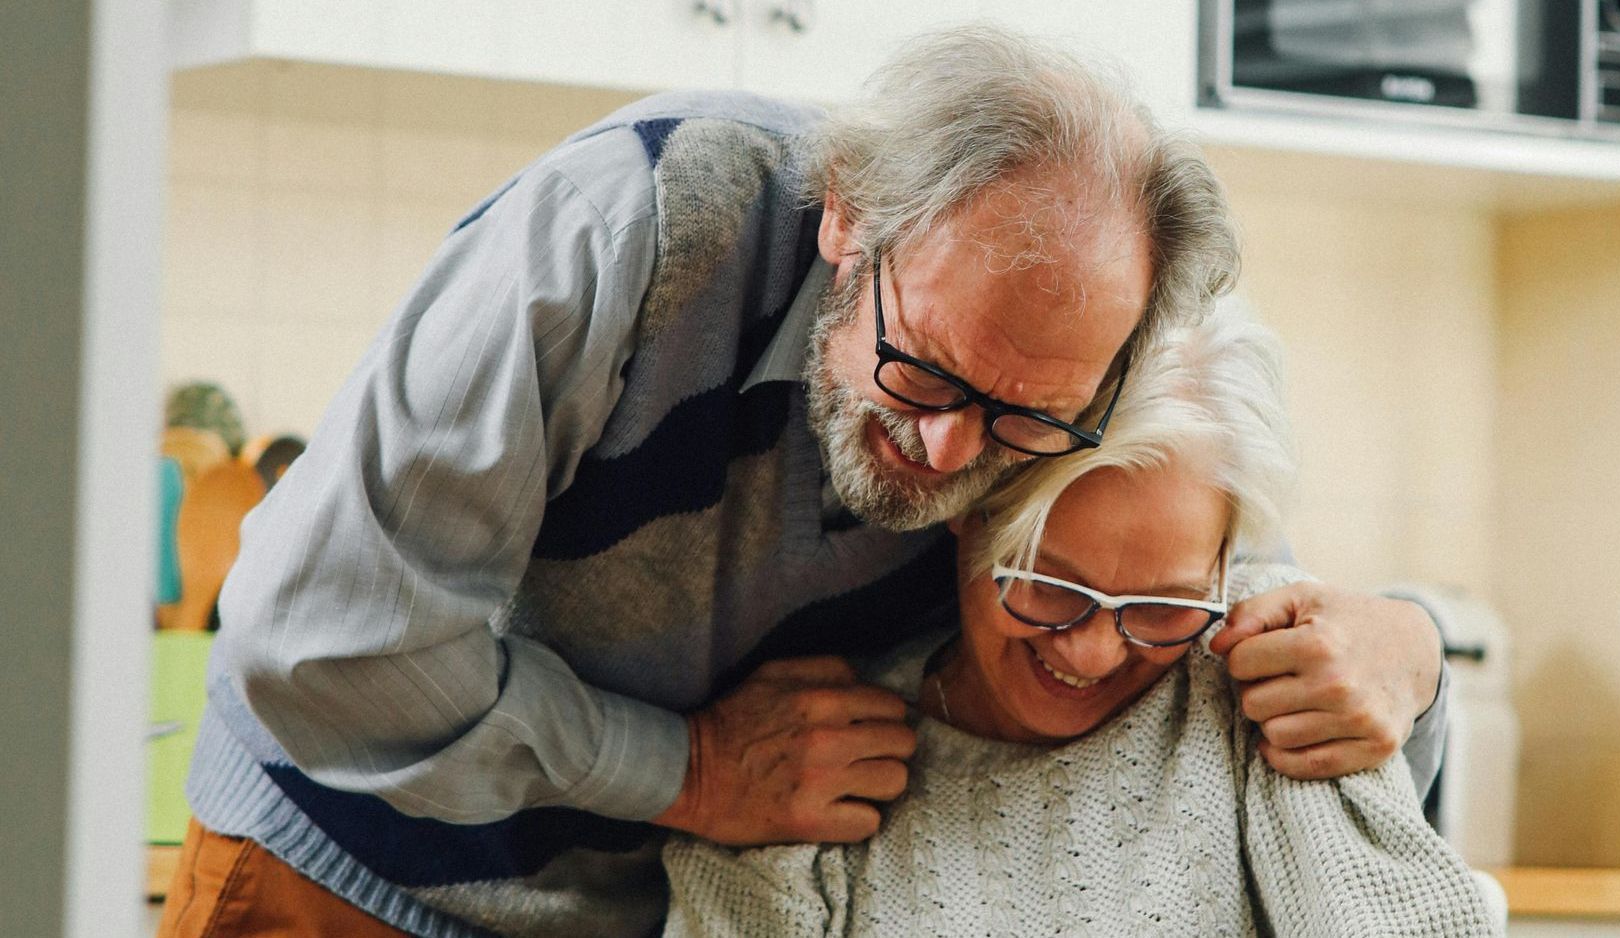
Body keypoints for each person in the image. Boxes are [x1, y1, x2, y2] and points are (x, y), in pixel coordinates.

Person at [160, 25, 1450, 938]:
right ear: (847, 216)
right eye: (924, 374)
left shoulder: (1076, 370)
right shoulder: (636, 225)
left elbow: (1179, 558)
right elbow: (326, 637)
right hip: (346, 877)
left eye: (1025, 419)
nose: (953, 458)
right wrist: (690, 770)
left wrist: (1412, 645)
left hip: (630, 910)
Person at [660, 304, 1497, 937]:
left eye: (1163, 606)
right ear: (963, 506)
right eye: (1047, 587)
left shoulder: (1265, 675)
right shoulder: (809, 774)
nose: (1095, 654)